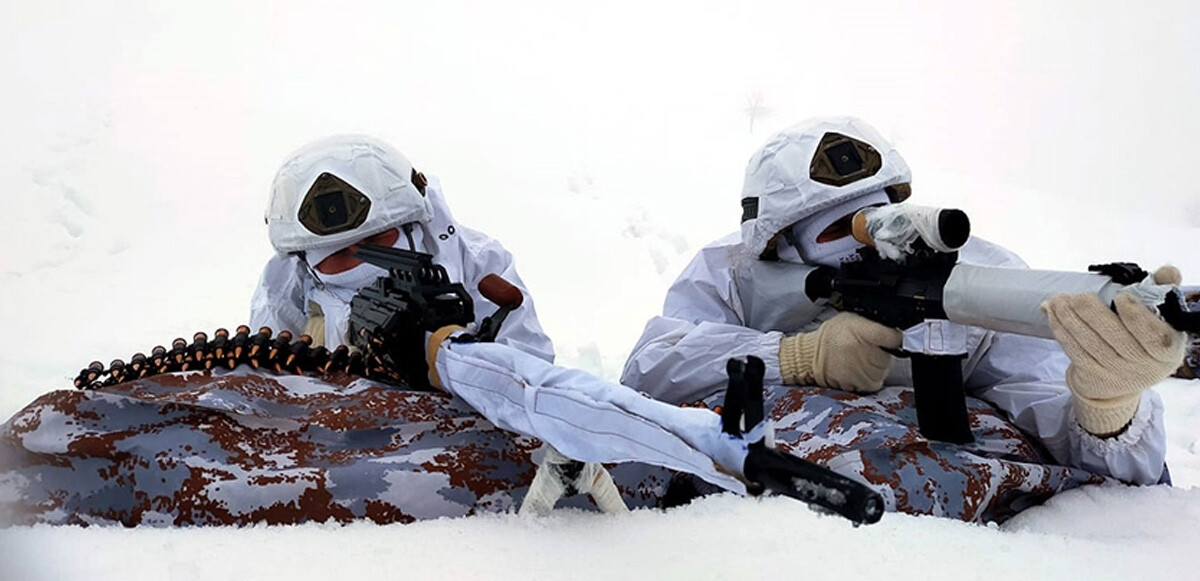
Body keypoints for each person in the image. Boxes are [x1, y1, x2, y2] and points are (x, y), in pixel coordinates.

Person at [620, 117, 1188, 519]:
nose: (869, 241)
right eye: (839, 230)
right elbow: (648, 372)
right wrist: (796, 357)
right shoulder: (732, 270)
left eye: (879, 216)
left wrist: (1107, 409)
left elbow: (1112, 464)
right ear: (781, 246)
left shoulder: (978, 276)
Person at [249, 135, 777, 516]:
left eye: (377, 244)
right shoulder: (288, 285)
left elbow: (529, 378)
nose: (354, 265)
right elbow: (269, 407)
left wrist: (454, 354)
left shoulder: (477, 264)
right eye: (333, 258)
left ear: (413, 227)